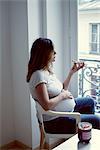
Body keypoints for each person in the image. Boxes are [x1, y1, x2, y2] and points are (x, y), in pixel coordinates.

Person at [26, 37, 100, 133]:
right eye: (52, 51)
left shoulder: (47, 71)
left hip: (64, 113)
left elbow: (63, 88)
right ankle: (83, 135)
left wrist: (71, 72)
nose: (55, 53)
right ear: (44, 54)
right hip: (55, 121)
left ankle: (83, 135)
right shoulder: (38, 75)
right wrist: (63, 96)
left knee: (90, 101)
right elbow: (46, 105)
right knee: (97, 120)